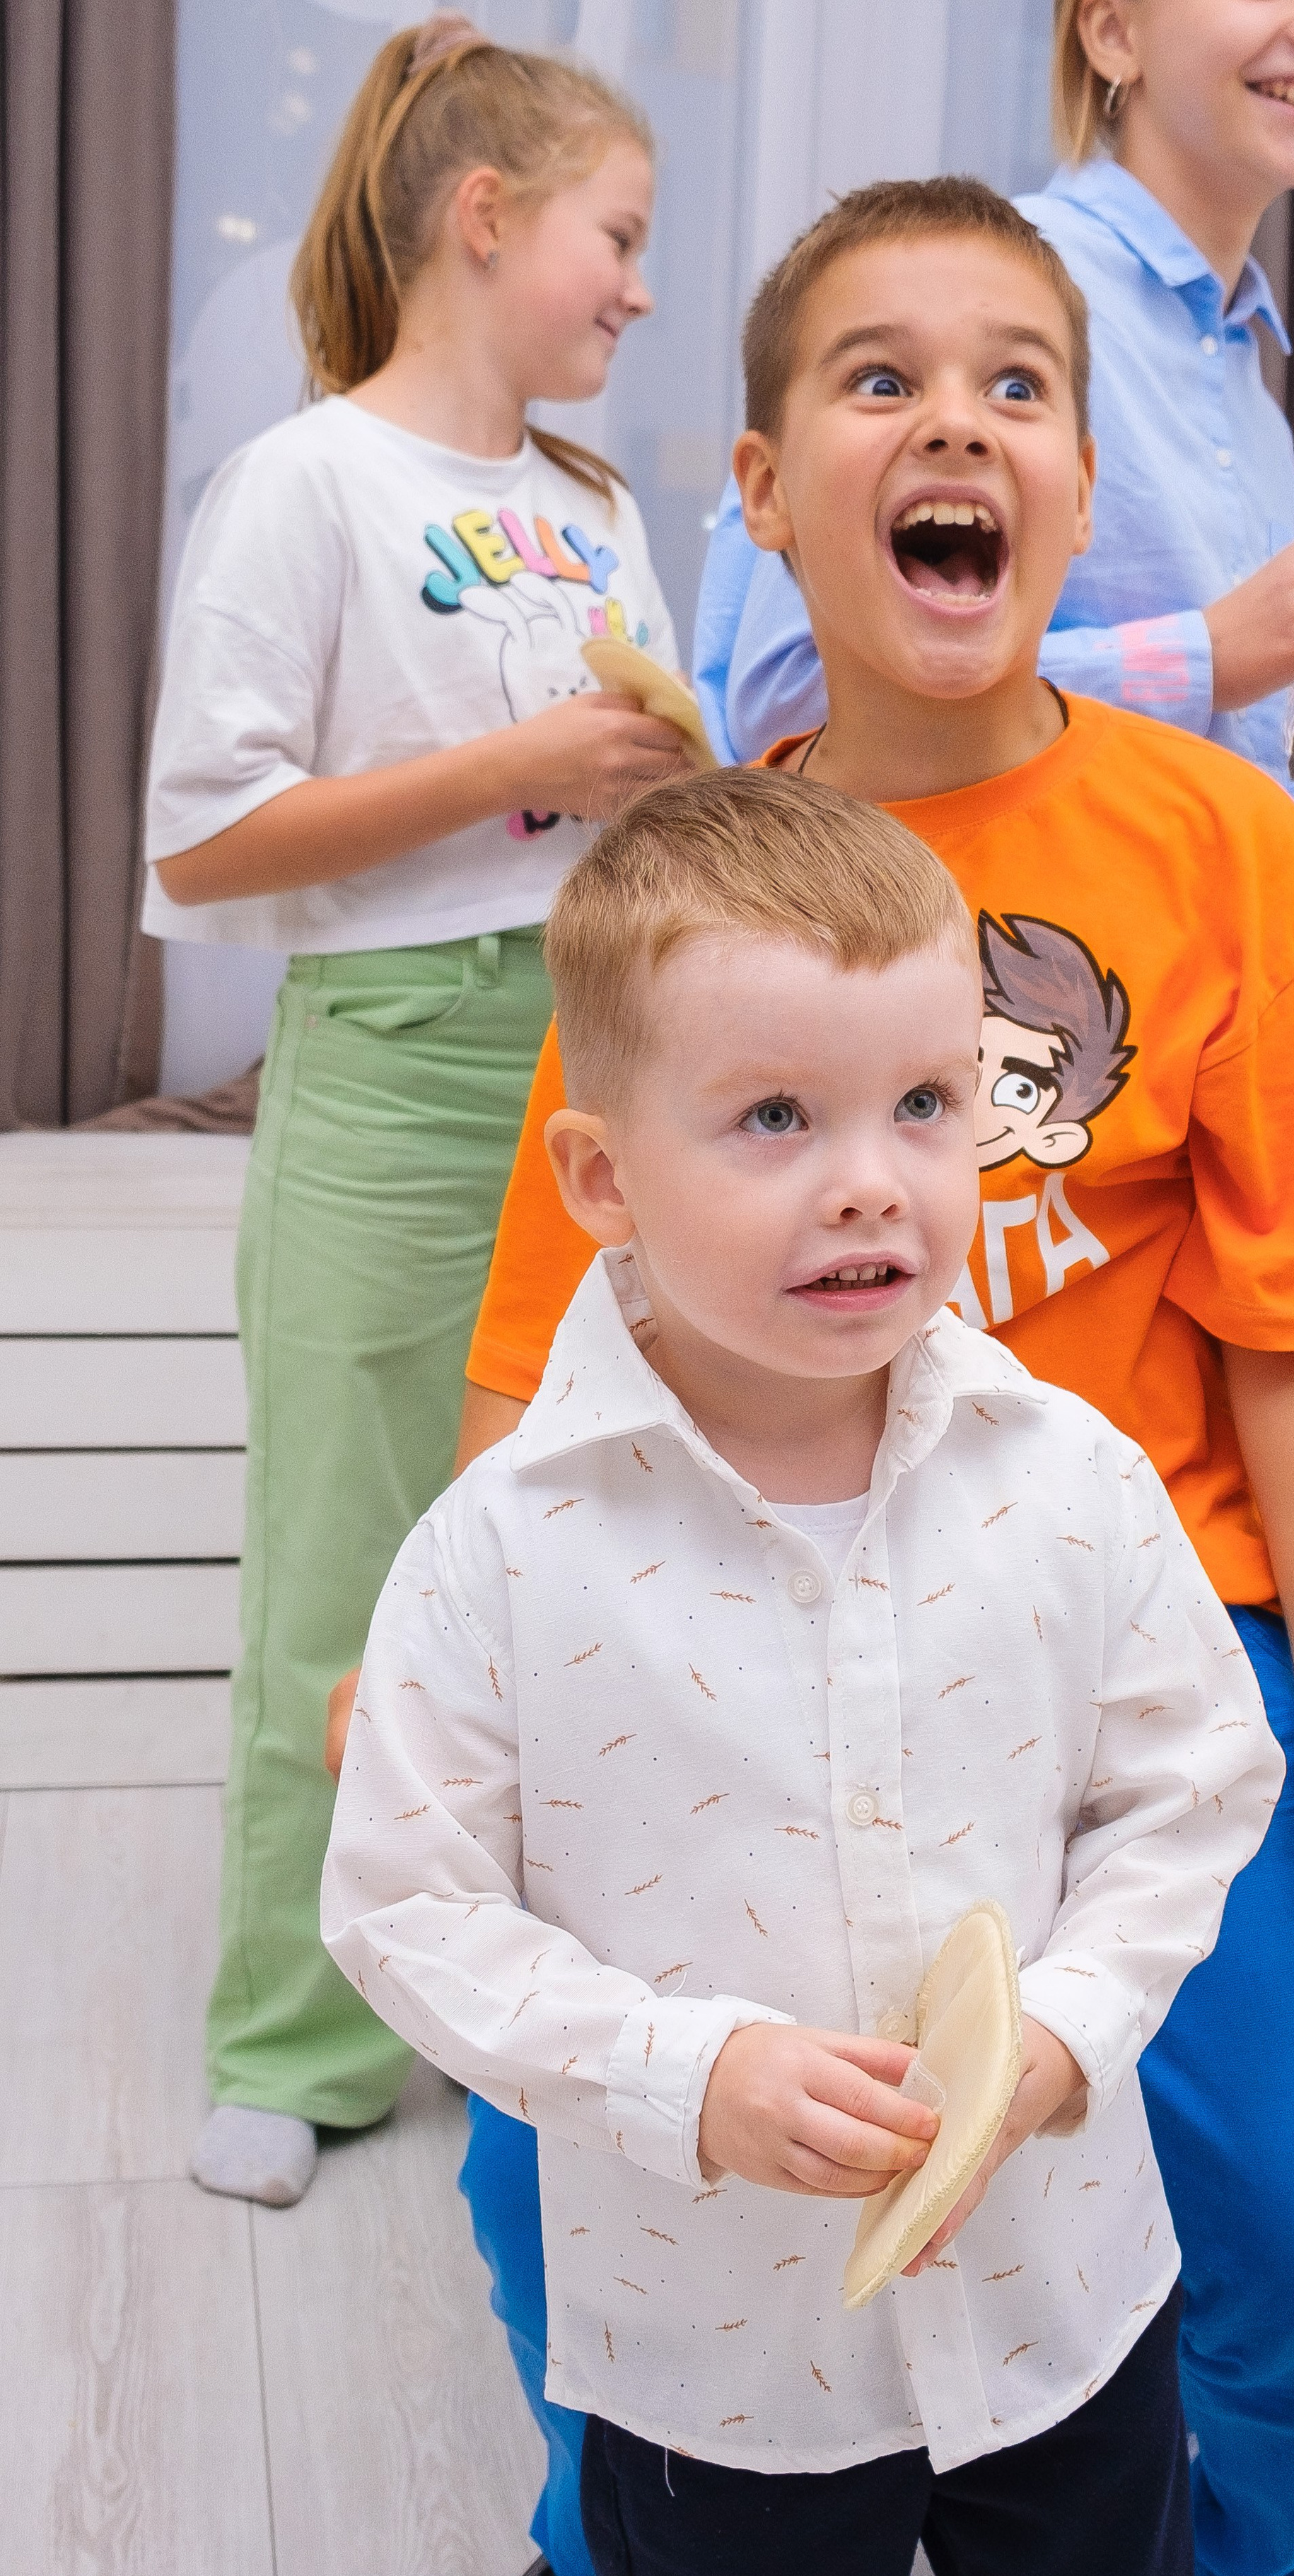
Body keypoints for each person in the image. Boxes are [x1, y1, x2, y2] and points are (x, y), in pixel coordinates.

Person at [383, 176, 1294, 2576]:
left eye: (1014, 382)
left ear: (1078, 489)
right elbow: (552, 1335)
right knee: (585, 2196)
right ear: (757, 488)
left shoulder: (1223, 856)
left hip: (1130, 1634)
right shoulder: (676, 903)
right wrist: (442, 1666)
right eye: (876, 378)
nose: (951, 420)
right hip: (718, 1611)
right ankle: (619, 2555)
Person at [323, 766, 1283, 2576]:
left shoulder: (1073, 1477)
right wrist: (690, 2072)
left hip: (1065, 2301)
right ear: (601, 1177)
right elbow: (404, 1910)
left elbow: (1193, 1786)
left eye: (927, 1107)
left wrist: (1072, 2027)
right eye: (778, 1117)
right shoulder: (503, 1549)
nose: (872, 1180)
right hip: (723, 2363)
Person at [144, 16, 696, 2218]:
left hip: (599, 1056)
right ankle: (299, 2030)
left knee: (579, 1554)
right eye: (617, 238)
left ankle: (520, 2003)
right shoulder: (310, 483)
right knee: (348, 1566)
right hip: (388, 1059)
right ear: (487, 219)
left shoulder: (592, 504)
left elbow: (625, 789)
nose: (641, 288)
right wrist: (521, 764)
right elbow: (206, 844)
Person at [693, 0, 1294, 903]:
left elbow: (1193, 815)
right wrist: (1205, 657)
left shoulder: (1249, 398)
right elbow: (785, 706)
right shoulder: (984, 297)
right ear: (1110, 32)